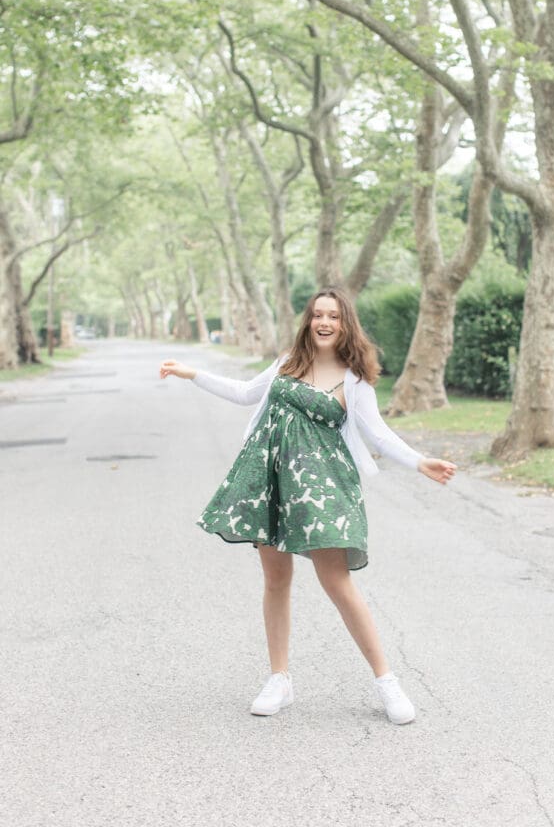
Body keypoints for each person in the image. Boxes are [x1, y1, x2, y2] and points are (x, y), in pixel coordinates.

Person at [159, 286, 456, 725]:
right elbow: (245, 393)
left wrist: (418, 461)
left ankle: (387, 681)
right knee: (276, 578)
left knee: (337, 583)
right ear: (308, 320)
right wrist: (192, 373)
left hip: (324, 487)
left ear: (345, 323)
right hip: (270, 480)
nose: (324, 322)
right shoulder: (287, 364)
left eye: (333, 316)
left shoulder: (354, 380)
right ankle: (279, 678)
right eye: (318, 314)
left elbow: (377, 435)